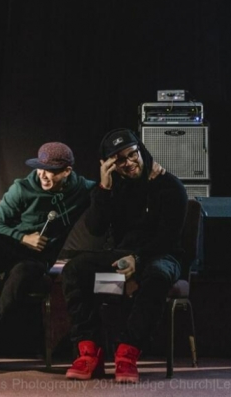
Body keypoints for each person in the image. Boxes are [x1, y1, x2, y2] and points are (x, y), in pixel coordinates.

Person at [0, 142, 96, 374]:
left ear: (67, 171)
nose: (42, 175)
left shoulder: (81, 189)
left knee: (21, 275)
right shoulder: (22, 188)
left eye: (50, 170)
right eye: (39, 168)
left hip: (35, 261)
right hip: (9, 250)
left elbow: (105, 190)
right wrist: (23, 237)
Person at [62, 128, 187, 383]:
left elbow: (168, 239)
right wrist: (104, 187)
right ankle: (89, 351)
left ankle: (127, 354)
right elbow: (95, 228)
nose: (129, 163)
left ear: (140, 150)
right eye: (120, 160)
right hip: (123, 258)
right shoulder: (115, 187)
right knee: (74, 269)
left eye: (132, 155)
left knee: (157, 274)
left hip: (162, 254)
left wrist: (137, 260)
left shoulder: (169, 186)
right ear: (109, 164)